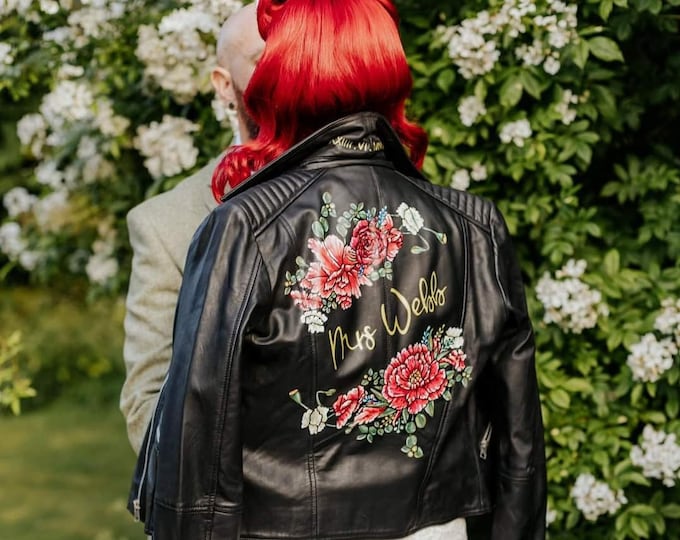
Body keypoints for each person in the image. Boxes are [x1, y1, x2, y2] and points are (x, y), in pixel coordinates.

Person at [128, 0, 547, 538]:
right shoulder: (474, 225)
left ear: (283, 79)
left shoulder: (245, 225)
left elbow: (198, 435)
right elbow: (518, 441)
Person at [120, 3, 264, 454]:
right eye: (263, 61)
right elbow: (148, 408)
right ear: (224, 85)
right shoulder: (166, 224)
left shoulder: (383, 194)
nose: (286, 75)